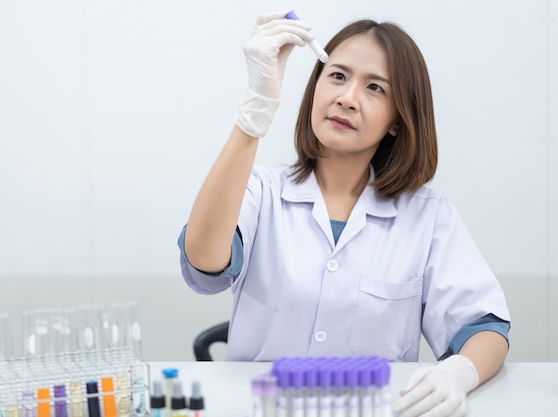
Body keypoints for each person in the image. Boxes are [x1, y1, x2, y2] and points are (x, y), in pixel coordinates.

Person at [177, 10, 510, 417]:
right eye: (337, 76)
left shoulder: (427, 217)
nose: (347, 98)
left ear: (396, 120)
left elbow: (484, 328)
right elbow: (204, 260)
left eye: (374, 88)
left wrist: (459, 372)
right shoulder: (260, 192)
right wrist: (255, 111)